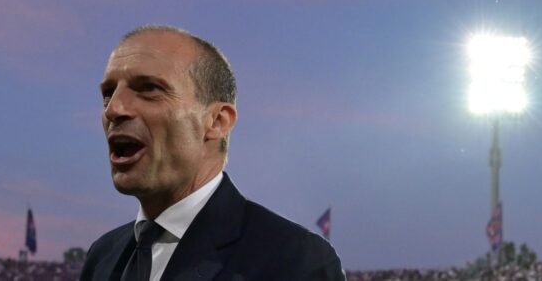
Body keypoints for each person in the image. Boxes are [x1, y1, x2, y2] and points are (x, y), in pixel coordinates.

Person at [81, 25, 346, 281]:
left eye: (149, 88)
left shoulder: (295, 260)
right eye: (108, 93)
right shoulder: (103, 256)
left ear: (217, 121)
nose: (113, 109)